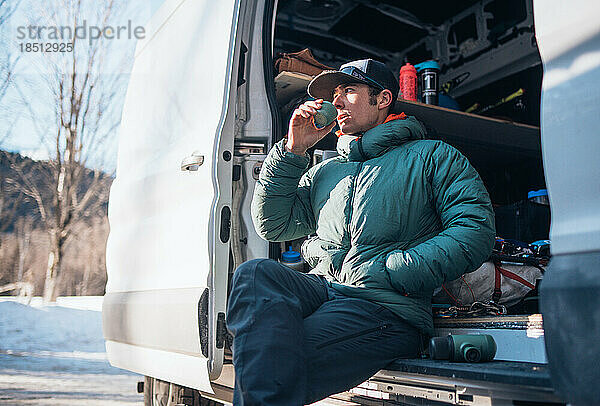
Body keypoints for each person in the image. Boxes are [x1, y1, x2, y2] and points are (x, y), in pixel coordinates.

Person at [226, 59, 495, 405]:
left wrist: (394, 269)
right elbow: (273, 224)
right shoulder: (326, 170)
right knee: (255, 274)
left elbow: (475, 231)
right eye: (335, 94)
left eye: (348, 91)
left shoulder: (433, 156)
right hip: (326, 288)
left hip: (385, 307)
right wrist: (294, 150)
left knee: (272, 361)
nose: (336, 103)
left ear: (382, 99)